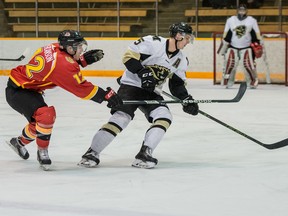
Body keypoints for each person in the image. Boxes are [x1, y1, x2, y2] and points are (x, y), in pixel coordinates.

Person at [78, 22, 199, 169]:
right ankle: (92, 153)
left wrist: (186, 99)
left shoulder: (181, 60)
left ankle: (144, 154)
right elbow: (129, 58)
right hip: (131, 86)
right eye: (187, 38)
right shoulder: (153, 43)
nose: (187, 42)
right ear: (179, 36)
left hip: (152, 92)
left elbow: (176, 84)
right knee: (121, 118)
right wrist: (143, 73)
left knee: (164, 117)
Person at [5, 30, 123, 170]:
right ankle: (42, 152)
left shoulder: (54, 47)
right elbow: (82, 89)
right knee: (46, 115)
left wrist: (82, 60)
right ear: (69, 48)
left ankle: (18, 143)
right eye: (79, 47)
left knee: (39, 124)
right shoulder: (63, 65)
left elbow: (59, 63)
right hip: (19, 91)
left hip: (26, 87)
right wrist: (106, 95)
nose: (81, 50)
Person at [217, 4, 263, 89]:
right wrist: (223, 47)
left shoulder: (251, 20)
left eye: (243, 10)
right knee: (230, 64)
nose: (242, 12)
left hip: (247, 47)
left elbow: (257, 34)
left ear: (246, 11)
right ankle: (228, 82)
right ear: (237, 10)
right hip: (233, 46)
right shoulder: (230, 20)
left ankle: (252, 82)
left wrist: (257, 44)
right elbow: (226, 34)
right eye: (240, 10)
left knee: (248, 65)